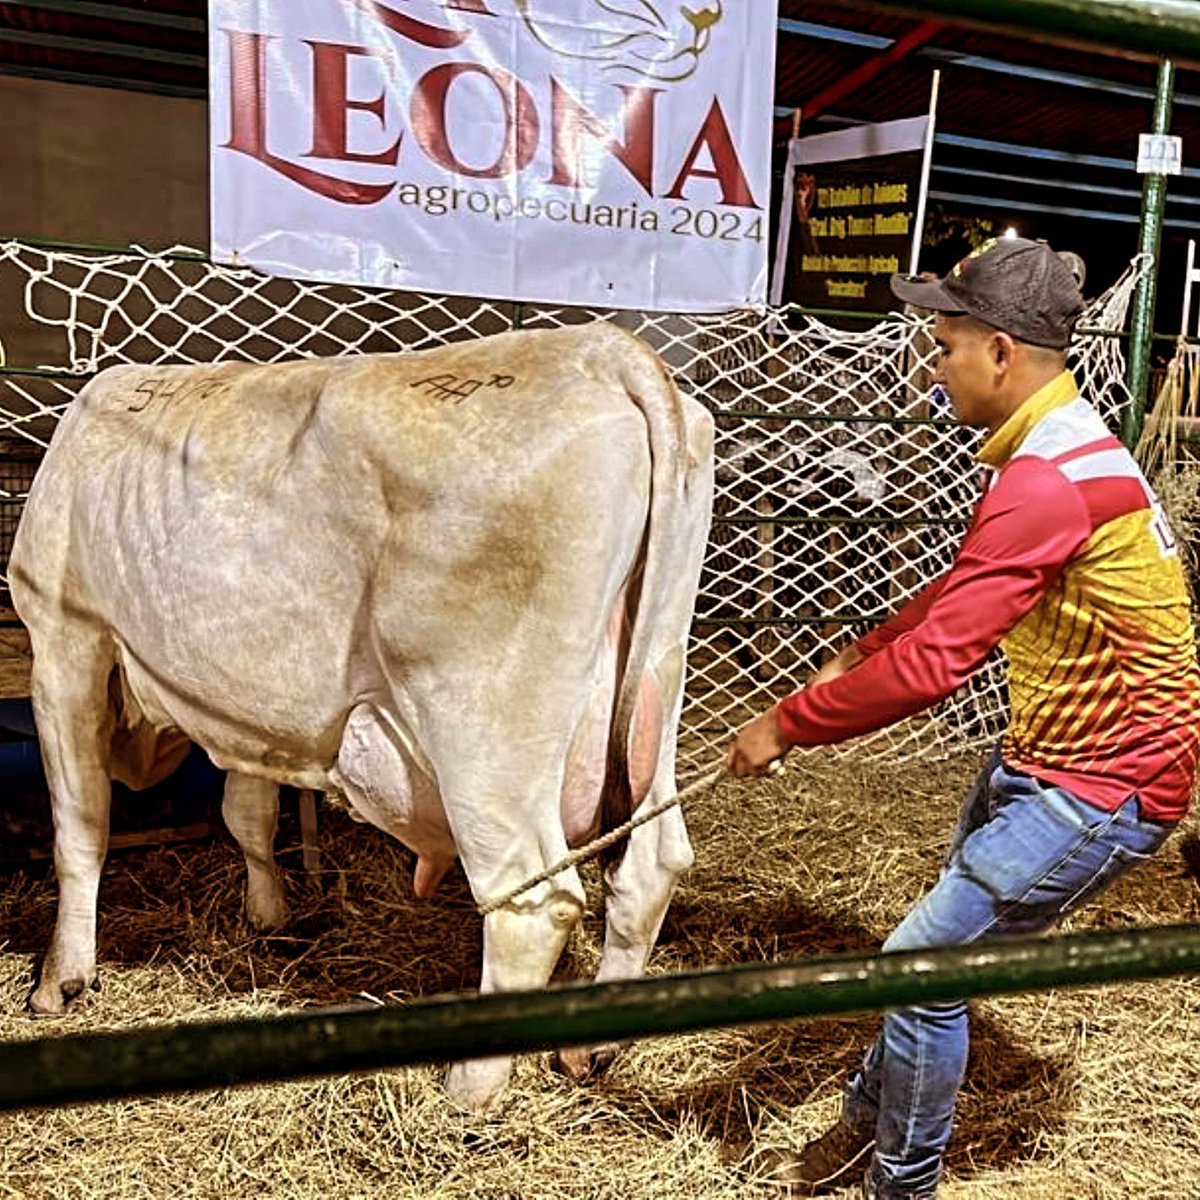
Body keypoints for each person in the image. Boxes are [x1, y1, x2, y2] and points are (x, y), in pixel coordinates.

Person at [728, 236, 1200, 1199]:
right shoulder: (1061, 451)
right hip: (1051, 756)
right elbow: (962, 594)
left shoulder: (1045, 480)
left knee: (920, 964)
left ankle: (900, 1184)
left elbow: (940, 665)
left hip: (1109, 783)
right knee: (936, 959)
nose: (931, 365)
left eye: (944, 344)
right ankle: (868, 1116)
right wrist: (871, 640)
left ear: (999, 352)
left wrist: (791, 722)